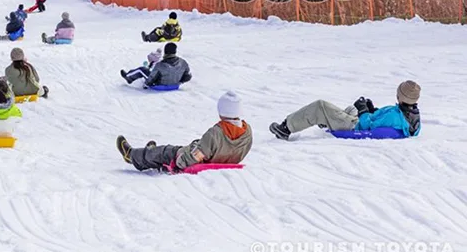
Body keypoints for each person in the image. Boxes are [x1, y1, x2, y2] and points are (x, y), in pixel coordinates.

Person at [117, 91, 252, 172]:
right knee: (175, 150)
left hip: (200, 162)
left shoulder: (215, 133)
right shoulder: (247, 132)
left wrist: (179, 161)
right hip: (225, 161)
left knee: (168, 151)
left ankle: (132, 155)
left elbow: (193, 158)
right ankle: (151, 153)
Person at [269, 81, 422, 141]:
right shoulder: (410, 114)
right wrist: (371, 109)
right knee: (351, 109)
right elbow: (381, 120)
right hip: (363, 120)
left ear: (400, 96)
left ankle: (286, 128)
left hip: (355, 126)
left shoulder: (395, 116)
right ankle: (326, 119)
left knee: (319, 106)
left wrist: (364, 112)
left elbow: (366, 127)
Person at [121, 42, 192, 87]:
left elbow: (151, 79)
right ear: (175, 51)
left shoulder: (160, 65)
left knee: (141, 69)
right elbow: (188, 76)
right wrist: (179, 82)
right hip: (175, 84)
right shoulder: (183, 62)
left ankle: (128, 77)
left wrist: (146, 84)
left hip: (160, 84)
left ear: (165, 52)